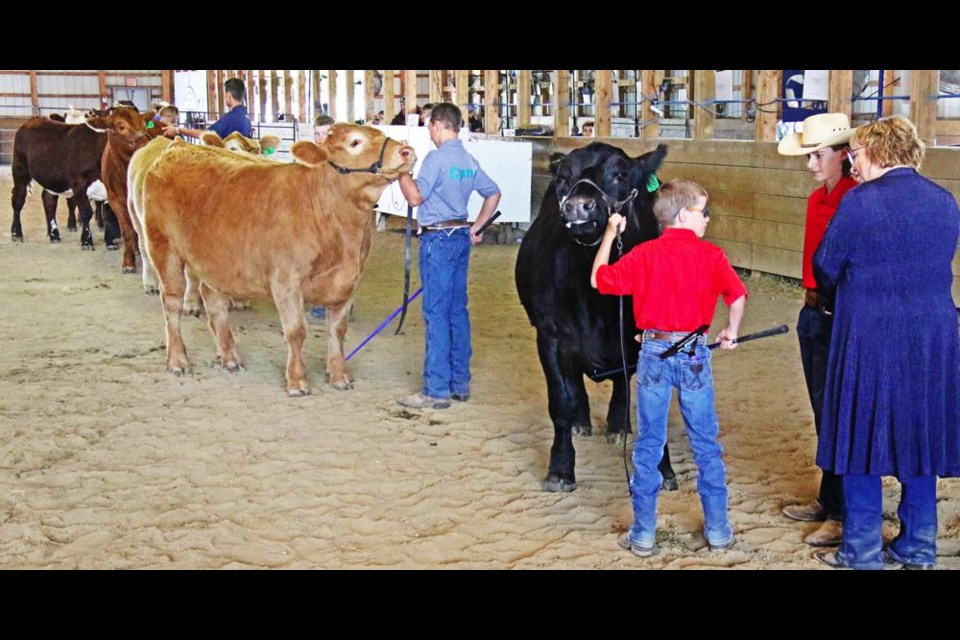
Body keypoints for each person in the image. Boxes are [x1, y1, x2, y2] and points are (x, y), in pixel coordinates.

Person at [813, 115, 960, 570]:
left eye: (854, 155)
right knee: (921, 433)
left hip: (870, 331)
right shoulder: (945, 200)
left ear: (875, 152)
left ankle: (860, 549)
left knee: (860, 431)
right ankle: (918, 544)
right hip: (933, 332)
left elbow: (826, 265)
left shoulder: (859, 203)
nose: (852, 164)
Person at [590, 178, 746, 557]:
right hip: (693, 354)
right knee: (706, 445)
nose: (707, 219)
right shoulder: (711, 255)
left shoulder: (645, 254)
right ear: (682, 215)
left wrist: (610, 234)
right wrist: (730, 331)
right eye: (702, 212)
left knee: (648, 444)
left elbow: (599, 279)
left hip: (654, 353)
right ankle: (719, 531)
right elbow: (737, 295)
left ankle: (643, 534)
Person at [776, 112, 857, 548]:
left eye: (817, 155)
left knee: (838, 411)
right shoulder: (817, 199)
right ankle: (829, 499)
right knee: (823, 410)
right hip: (813, 308)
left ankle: (843, 512)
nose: (810, 164)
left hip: (839, 313)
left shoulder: (854, 199)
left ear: (842, 156)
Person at [395, 102, 501, 409]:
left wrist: (402, 172)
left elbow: (415, 196)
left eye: (429, 125)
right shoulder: (468, 160)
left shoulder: (435, 159)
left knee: (436, 313)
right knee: (457, 310)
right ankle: (460, 383)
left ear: (440, 125)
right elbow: (493, 193)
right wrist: (477, 226)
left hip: (437, 240)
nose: (429, 130)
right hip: (459, 238)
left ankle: (436, 389)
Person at [307, 114, 339, 323]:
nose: (320, 139)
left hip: (334, 217)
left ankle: (336, 302)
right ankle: (320, 303)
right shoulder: (310, 158)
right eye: (317, 134)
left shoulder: (339, 159)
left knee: (334, 260)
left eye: (325, 134)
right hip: (315, 217)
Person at [165, 77, 252, 139]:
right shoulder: (246, 117)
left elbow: (206, 134)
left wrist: (178, 130)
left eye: (225, 95)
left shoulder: (231, 118)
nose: (225, 97)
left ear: (229, 95)